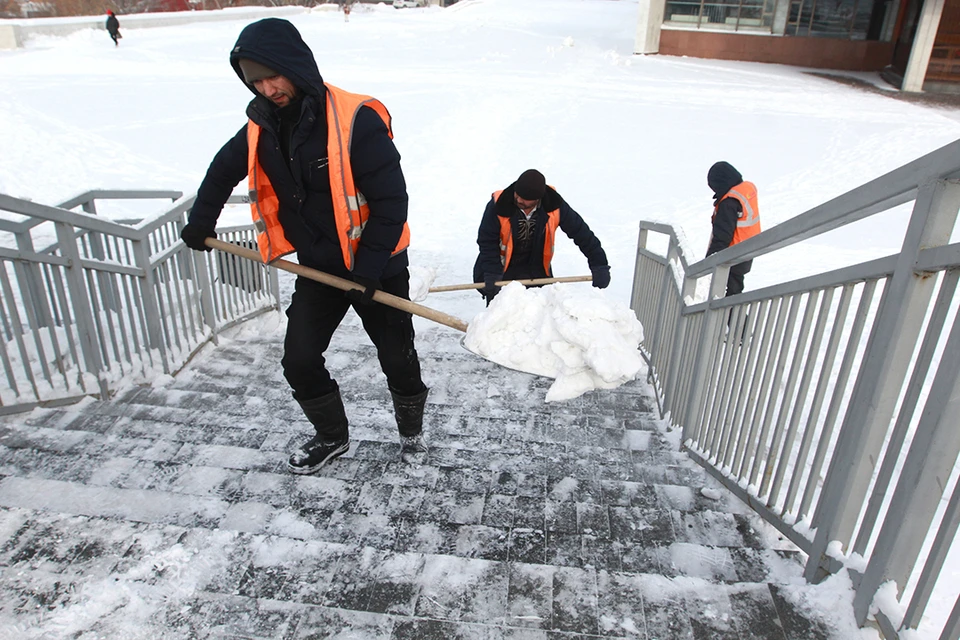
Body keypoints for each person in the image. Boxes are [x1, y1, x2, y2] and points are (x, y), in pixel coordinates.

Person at [180, 18, 429, 474]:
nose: (267, 88)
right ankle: (332, 436)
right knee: (298, 359)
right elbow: (222, 168)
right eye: (255, 81)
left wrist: (368, 270)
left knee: (396, 355)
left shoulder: (356, 119)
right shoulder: (262, 124)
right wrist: (201, 221)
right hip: (318, 268)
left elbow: (392, 203)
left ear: (294, 65)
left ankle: (411, 432)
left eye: (273, 75)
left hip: (378, 265)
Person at [472, 169, 610, 304]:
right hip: (501, 270)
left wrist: (599, 264)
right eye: (517, 195)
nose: (519, 199)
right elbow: (487, 241)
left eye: (525, 199)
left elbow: (582, 234)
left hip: (536, 272)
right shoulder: (499, 205)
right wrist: (492, 273)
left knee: (539, 317)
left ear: (538, 199)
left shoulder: (554, 206)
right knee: (501, 317)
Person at [706, 161, 760, 297]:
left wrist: (710, 260)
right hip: (748, 248)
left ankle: (734, 318)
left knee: (728, 295)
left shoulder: (728, 203)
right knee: (735, 290)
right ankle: (736, 317)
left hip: (732, 254)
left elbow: (723, 236)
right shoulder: (746, 189)